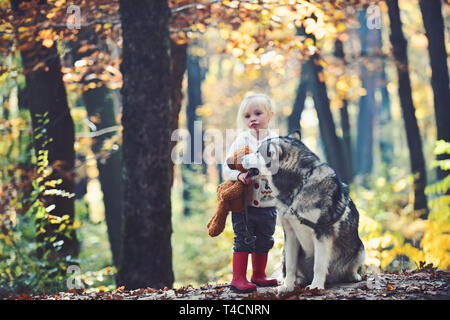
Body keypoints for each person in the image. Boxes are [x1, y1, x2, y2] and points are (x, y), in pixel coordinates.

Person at [222, 93, 279, 293]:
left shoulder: (276, 141)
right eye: (247, 116)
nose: (252, 118)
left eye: (257, 113)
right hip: (244, 204)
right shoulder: (241, 141)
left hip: (268, 202)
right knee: (244, 238)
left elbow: (280, 167)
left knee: (265, 238)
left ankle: (259, 275)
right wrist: (239, 176)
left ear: (270, 115)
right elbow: (226, 168)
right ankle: (238, 278)